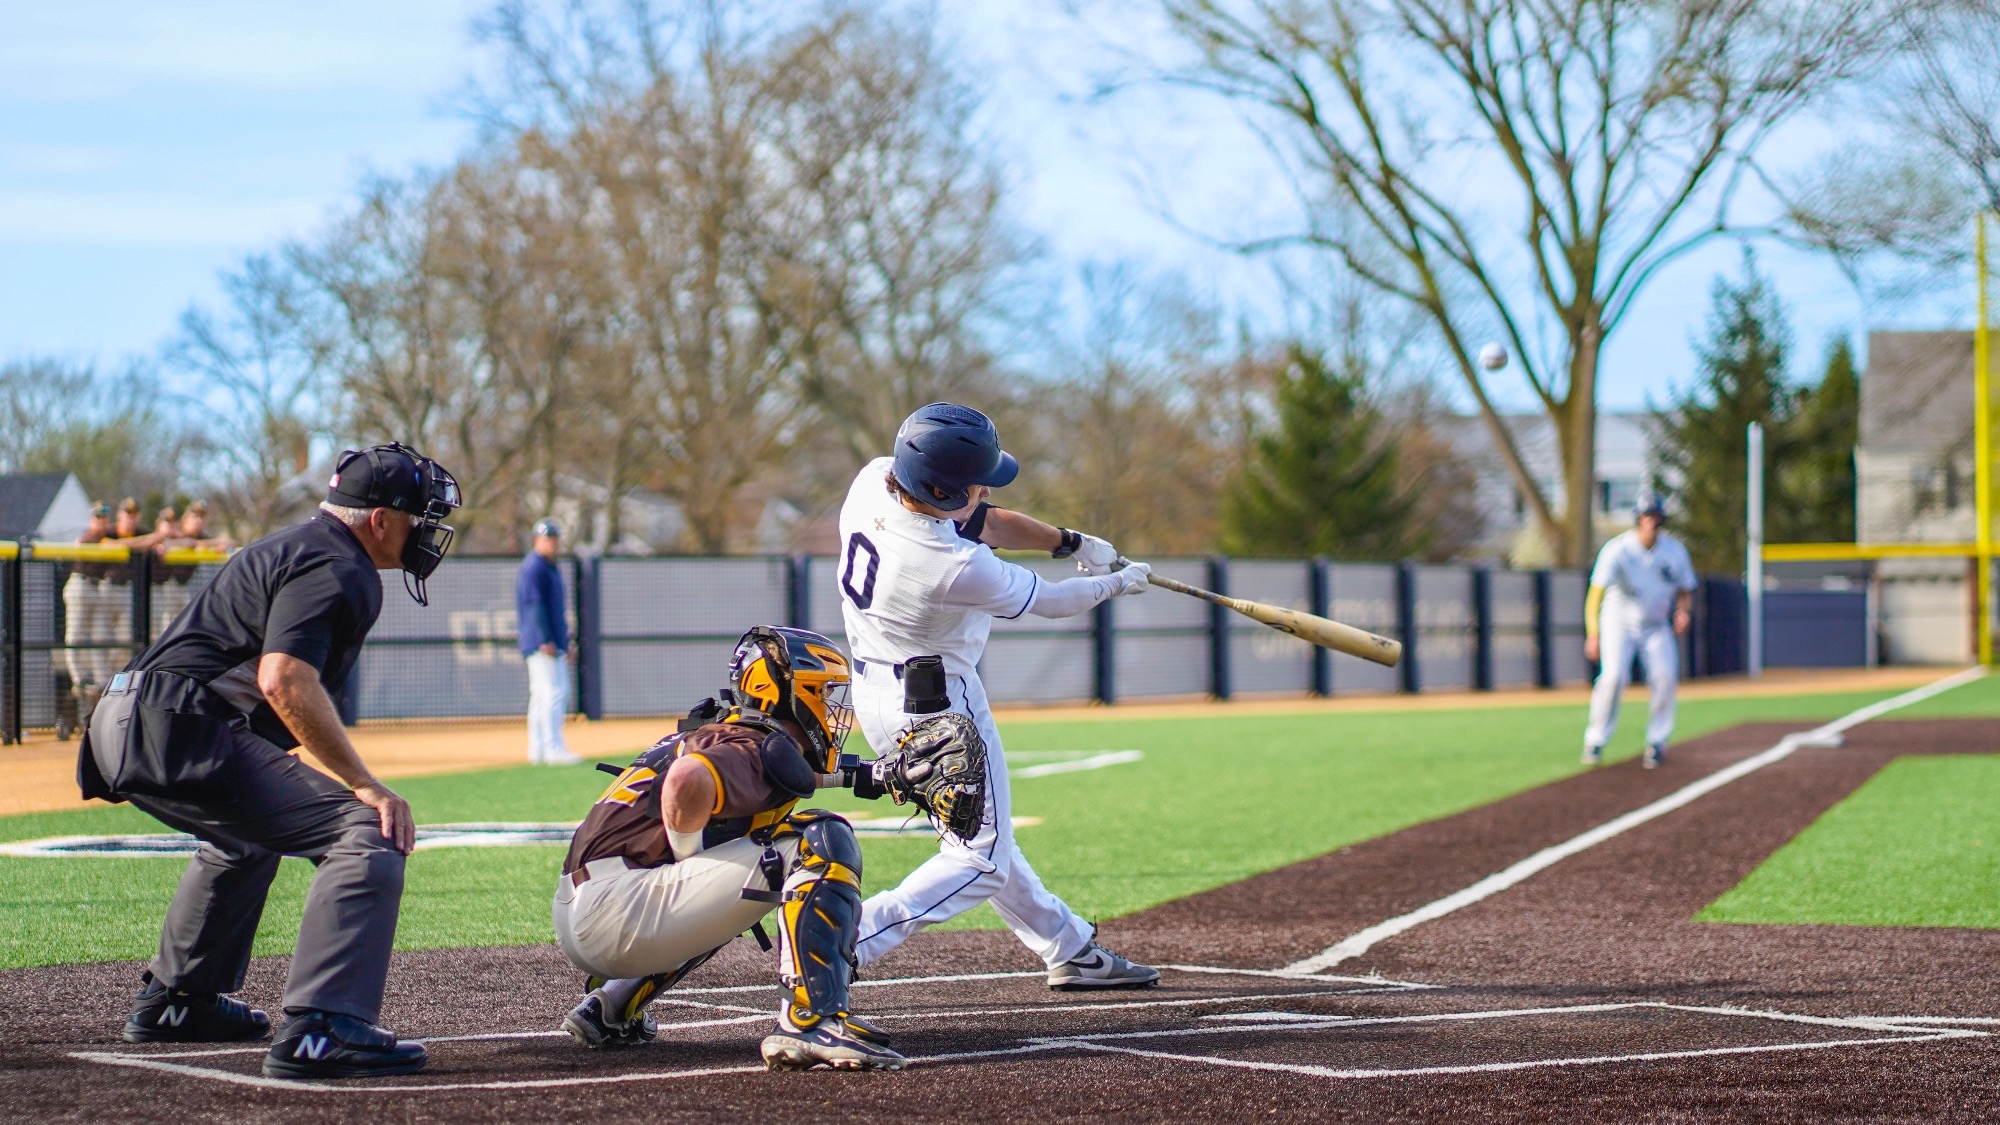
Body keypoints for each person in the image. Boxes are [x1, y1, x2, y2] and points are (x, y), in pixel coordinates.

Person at [79, 442, 461, 1079]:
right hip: (174, 726)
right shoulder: (342, 566)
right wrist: (365, 783)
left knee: (247, 840)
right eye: (419, 516)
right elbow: (283, 678)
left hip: (123, 720)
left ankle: (180, 1000)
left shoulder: (296, 544)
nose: (426, 531)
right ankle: (321, 1027)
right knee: (367, 830)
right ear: (380, 519)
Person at [836, 402, 1159, 989]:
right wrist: (1113, 583)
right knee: (978, 860)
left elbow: (985, 518)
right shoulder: (950, 564)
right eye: (976, 482)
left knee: (986, 835)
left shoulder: (875, 481)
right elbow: (1053, 602)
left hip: (877, 693)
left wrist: (1072, 541)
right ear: (945, 488)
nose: (984, 490)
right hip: (942, 708)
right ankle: (844, 938)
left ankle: (1068, 946)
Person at [552, 626, 905, 1071]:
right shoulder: (752, 743)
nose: (834, 707)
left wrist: (872, 776)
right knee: (821, 838)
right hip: (620, 910)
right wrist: (690, 856)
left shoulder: (728, 733)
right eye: (825, 691)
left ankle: (613, 1005)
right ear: (783, 690)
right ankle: (810, 1020)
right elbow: (688, 780)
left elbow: (782, 773)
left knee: (746, 863)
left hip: (588, 904)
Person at [1581, 493, 1697, 770]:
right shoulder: (1617, 550)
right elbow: (1595, 595)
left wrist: (1683, 611)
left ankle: (1657, 741)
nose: (1651, 522)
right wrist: (1593, 633)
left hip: (1655, 625)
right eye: (1646, 516)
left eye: (1655, 516)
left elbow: (1685, 589)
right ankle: (1595, 739)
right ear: (1637, 518)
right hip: (1618, 622)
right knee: (1612, 678)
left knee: (1665, 677)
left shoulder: (1674, 551)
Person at [518, 517, 578, 765]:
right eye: (547, 539)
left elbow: (554, 609)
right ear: (536, 541)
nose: (552, 543)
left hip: (552, 639)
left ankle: (539, 750)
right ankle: (552, 748)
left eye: (554, 539)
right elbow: (534, 606)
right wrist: (544, 639)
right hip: (542, 642)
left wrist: (565, 640)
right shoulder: (534, 567)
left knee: (544, 695)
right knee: (553, 693)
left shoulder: (548, 566)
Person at [63, 502, 115, 722]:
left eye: (103, 518)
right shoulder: (88, 537)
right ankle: (79, 678)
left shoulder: (110, 536)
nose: (100, 521)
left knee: (101, 636)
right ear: (91, 520)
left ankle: (102, 679)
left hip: (96, 588)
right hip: (79, 585)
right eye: (96, 517)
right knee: (75, 635)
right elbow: (106, 545)